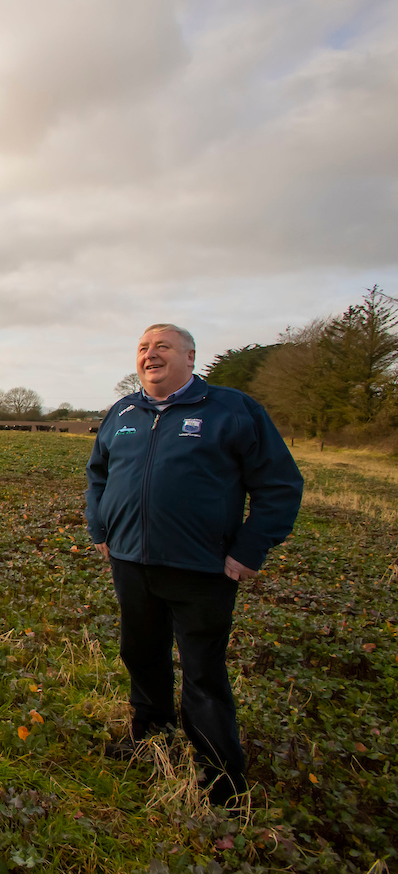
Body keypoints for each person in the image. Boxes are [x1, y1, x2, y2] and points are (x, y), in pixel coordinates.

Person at [85, 323, 303, 807]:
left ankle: (220, 778)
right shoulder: (123, 412)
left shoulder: (232, 410)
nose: (150, 355)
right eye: (143, 347)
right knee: (141, 654)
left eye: (162, 346)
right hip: (130, 562)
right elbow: (97, 475)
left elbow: (280, 485)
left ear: (190, 356)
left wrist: (249, 549)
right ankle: (151, 740)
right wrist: (100, 528)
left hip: (201, 568)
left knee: (203, 671)